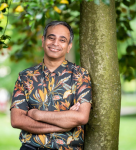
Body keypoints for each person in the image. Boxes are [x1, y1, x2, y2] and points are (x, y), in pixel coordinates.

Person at [10, 21, 92, 150]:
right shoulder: (25, 77)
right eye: (51, 38)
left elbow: (81, 117)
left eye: (62, 40)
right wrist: (65, 124)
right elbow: (17, 120)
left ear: (69, 46)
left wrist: (37, 114)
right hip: (31, 147)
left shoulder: (80, 75)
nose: (55, 43)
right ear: (43, 40)